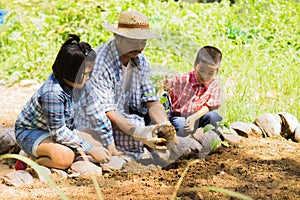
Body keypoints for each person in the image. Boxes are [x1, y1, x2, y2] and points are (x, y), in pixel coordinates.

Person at [14, 34, 112, 170]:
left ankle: (55, 154)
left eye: (90, 72)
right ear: (72, 72)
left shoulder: (83, 84)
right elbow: (58, 132)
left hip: (60, 129)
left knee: (98, 144)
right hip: (33, 132)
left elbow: (97, 114)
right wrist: (90, 149)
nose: (89, 77)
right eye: (85, 73)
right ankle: (30, 160)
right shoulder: (52, 93)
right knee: (64, 158)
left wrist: (110, 144)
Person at [89, 10, 177, 159]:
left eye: (143, 41)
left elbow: (151, 100)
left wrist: (164, 124)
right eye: (134, 41)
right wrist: (138, 132)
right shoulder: (100, 63)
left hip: (129, 113)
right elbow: (107, 111)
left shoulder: (141, 60)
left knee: (161, 116)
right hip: (102, 118)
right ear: (118, 38)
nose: (139, 46)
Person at [162, 46, 224, 137]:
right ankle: (186, 135)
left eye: (210, 73)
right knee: (180, 125)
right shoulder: (182, 79)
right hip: (180, 116)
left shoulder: (214, 84)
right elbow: (163, 87)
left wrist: (194, 118)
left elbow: (209, 106)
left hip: (199, 116)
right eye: (201, 70)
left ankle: (200, 134)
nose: (205, 76)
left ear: (217, 71)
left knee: (214, 117)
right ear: (195, 65)